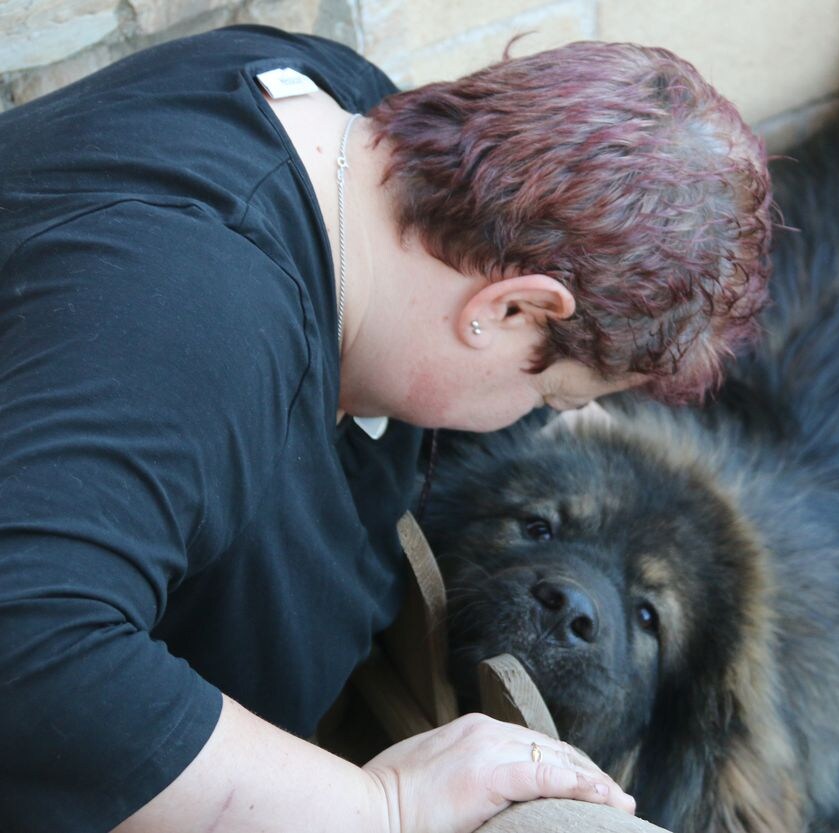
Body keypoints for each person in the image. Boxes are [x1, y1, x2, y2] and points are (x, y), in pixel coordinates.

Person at [0, 23, 772, 833]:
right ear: (509, 308)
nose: (539, 416)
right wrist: (381, 808)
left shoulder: (343, 113)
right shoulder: (195, 318)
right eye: (550, 392)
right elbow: (26, 639)